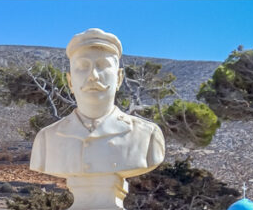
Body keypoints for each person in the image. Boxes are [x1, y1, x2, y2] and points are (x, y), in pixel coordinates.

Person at [30, 28, 164, 179]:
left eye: (103, 65)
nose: (93, 76)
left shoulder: (147, 136)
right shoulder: (46, 139)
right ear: (70, 81)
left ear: (119, 78)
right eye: (82, 67)